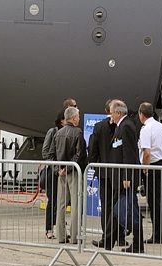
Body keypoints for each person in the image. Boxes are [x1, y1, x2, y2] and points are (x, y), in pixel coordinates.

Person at [87, 100, 123, 249]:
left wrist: (93, 164)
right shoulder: (119, 125)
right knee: (117, 205)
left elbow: (93, 151)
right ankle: (118, 237)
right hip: (116, 172)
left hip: (103, 172)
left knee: (108, 205)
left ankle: (107, 237)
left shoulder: (99, 126)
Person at [109, 100, 144, 253]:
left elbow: (129, 154)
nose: (110, 117)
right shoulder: (121, 126)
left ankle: (137, 244)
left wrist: (127, 176)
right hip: (121, 176)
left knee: (131, 210)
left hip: (126, 177)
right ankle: (109, 240)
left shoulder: (127, 126)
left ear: (118, 113)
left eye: (111, 113)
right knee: (121, 208)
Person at [137, 102, 162, 243]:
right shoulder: (161, 126)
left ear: (141, 114)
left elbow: (147, 152)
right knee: (160, 201)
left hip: (153, 166)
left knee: (154, 202)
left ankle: (158, 235)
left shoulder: (146, 129)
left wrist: (146, 168)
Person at [53, 106, 86, 245]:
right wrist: (69, 167)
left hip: (61, 173)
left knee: (61, 204)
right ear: (73, 118)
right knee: (76, 204)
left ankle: (60, 235)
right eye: (78, 116)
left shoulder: (58, 133)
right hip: (73, 171)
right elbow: (79, 154)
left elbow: (52, 153)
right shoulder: (77, 132)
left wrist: (59, 169)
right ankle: (74, 236)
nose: (79, 118)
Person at [41, 112, 64, 240]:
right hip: (53, 171)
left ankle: (61, 228)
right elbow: (45, 152)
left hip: (64, 172)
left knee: (63, 202)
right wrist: (56, 168)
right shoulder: (53, 131)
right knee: (53, 200)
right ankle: (49, 229)